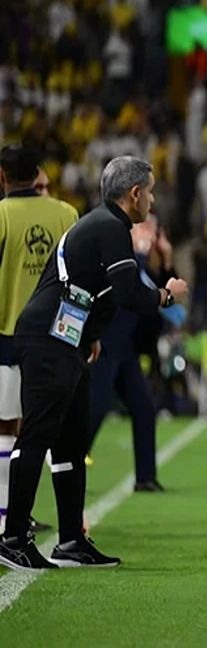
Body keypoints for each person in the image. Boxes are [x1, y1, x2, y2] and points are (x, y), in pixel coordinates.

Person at [0, 156, 189, 571]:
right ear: (134, 194)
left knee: (70, 440)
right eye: (150, 192)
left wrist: (91, 335)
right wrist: (167, 294)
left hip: (67, 339)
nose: (152, 200)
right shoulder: (110, 227)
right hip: (48, 339)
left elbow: (89, 287)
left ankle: (71, 540)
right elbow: (128, 292)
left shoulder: (103, 224)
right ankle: (12, 538)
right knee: (36, 435)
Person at [0, 146, 78, 535]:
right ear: (36, 175)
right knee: (52, 430)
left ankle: (7, 517)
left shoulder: (1, 215)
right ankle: (68, 527)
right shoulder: (66, 214)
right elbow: (80, 278)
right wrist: (85, 331)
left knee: (8, 427)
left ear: (2, 176)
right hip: (58, 336)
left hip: (8, 335)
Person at [85, 217, 180, 492]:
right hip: (105, 343)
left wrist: (166, 261)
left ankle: (145, 477)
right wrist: (139, 254)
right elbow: (125, 286)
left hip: (125, 348)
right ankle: (68, 461)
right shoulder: (117, 253)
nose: (150, 234)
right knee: (96, 408)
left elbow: (170, 305)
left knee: (143, 409)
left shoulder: (145, 267)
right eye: (145, 227)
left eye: (154, 229)